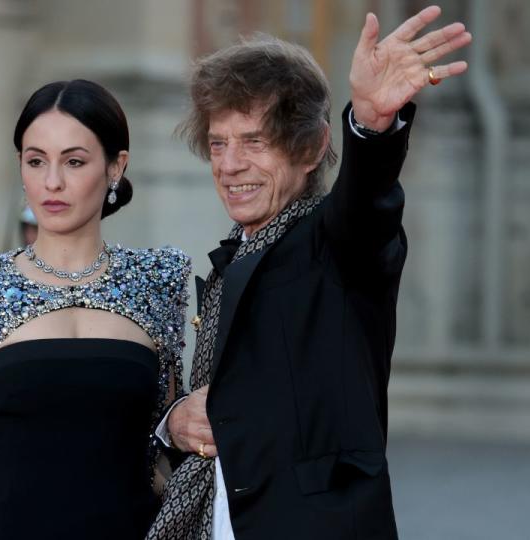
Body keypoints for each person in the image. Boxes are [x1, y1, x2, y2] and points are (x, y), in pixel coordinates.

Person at [149, 6, 471, 539]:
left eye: (254, 142)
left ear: (312, 148)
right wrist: (175, 422)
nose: (229, 165)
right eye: (218, 144)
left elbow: (366, 206)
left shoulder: (334, 245)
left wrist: (371, 126)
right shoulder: (235, 255)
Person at [0, 79, 190, 539]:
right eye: (36, 161)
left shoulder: (157, 280)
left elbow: (163, 455)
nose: (52, 182)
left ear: (116, 167)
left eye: (74, 161)